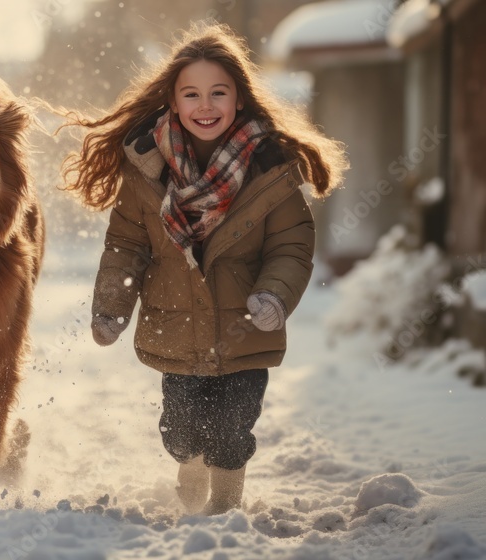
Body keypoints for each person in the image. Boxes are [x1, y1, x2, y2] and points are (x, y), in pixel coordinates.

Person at [61, 23, 347, 515]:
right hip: (176, 324)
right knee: (180, 430)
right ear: (172, 102)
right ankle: (188, 478)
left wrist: (274, 296)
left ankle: (224, 510)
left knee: (233, 428)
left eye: (219, 92)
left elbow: (291, 244)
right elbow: (127, 244)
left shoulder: (269, 167)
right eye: (191, 94)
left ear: (239, 98)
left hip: (245, 325)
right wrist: (112, 306)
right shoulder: (148, 168)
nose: (205, 105)